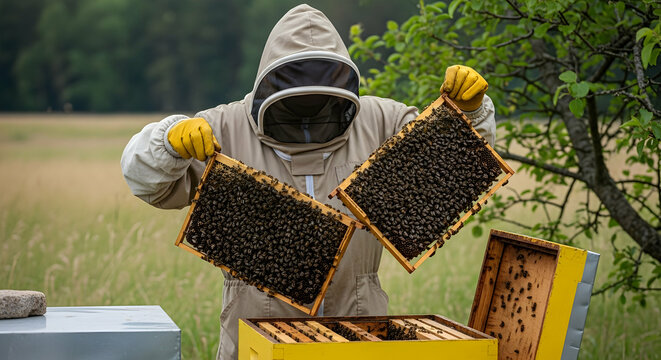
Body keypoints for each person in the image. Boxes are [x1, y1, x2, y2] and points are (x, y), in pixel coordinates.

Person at [121, 4, 495, 360]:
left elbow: (452, 175)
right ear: (268, 87)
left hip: (360, 326)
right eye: (296, 102)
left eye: (319, 101)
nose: (307, 113)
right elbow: (147, 182)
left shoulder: (382, 121)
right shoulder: (224, 128)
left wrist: (469, 115)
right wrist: (167, 143)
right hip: (254, 331)